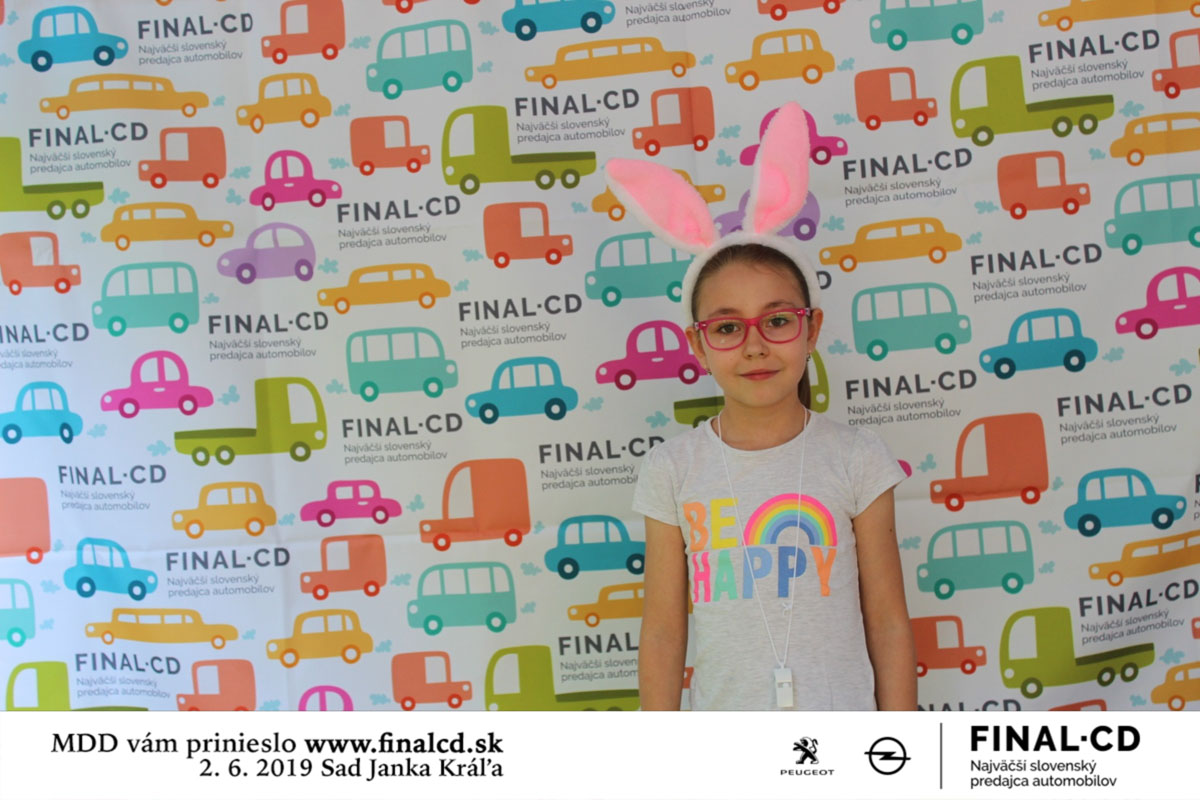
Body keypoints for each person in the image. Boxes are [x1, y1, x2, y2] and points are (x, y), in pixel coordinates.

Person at [604, 102, 917, 711]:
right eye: (727, 328)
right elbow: (663, 632)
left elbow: (887, 622)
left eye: (777, 320)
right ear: (697, 345)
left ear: (811, 328)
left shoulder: (857, 458)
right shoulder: (673, 469)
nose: (754, 346)